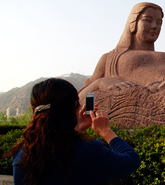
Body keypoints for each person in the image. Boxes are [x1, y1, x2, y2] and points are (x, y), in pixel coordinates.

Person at [7, 78, 141, 185]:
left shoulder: (21, 154)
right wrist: (106, 131)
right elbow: (131, 161)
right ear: (74, 108)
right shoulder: (88, 152)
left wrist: (78, 128)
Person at [79, 2, 165, 99]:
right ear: (133, 23)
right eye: (148, 20)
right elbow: (80, 99)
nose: (154, 26)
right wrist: (99, 83)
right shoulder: (110, 58)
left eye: (159, 23)